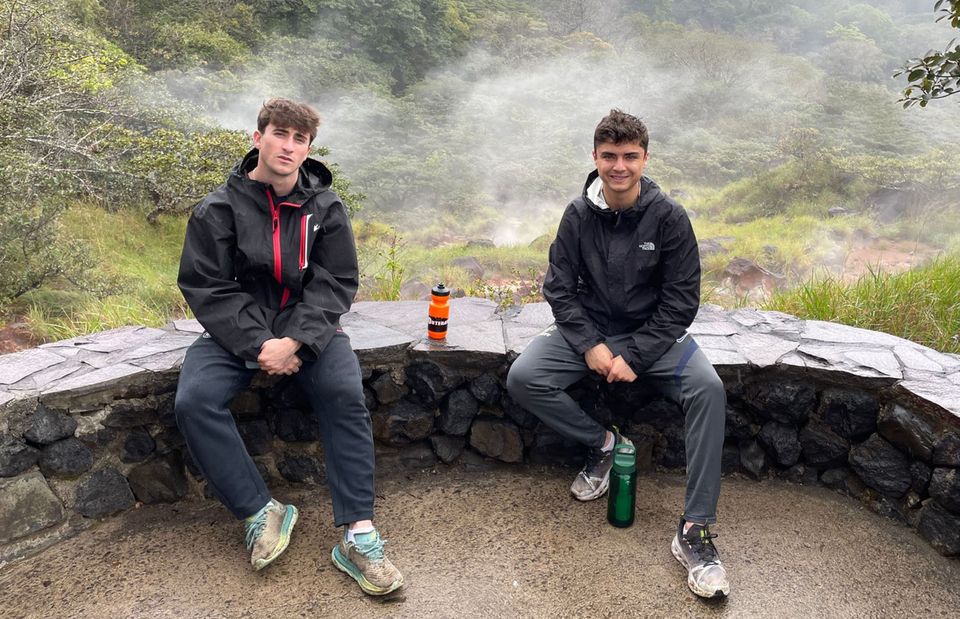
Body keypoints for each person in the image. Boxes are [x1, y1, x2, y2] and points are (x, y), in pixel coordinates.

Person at [174, 97, 403, 596]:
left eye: (301, 139)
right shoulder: (218, 209)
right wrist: (261, 344)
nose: (290, 146)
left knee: (344, 393)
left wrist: (297, 339)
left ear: (308, 149)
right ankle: (261, 510)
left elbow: (337, 280)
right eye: (281, 134)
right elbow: (207, 286)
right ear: (259, 138)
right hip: (239, 332)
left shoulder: (326, 207)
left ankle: (358, 534)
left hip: (310, 329)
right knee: (194, 399)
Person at [506, 109, 729, 599]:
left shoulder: (668, 217)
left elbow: (681, 300)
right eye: (610, 156)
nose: (619, 166)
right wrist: (590, 344)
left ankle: (695, 529)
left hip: (654, 336)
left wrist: (639, 355)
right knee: (524, 376)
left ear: (645, 158)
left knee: (709, 390)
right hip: (593, 330)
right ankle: (604, 444)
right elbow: (560, 289)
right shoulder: (577, 215)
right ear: (595, 158)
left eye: (630, 156)